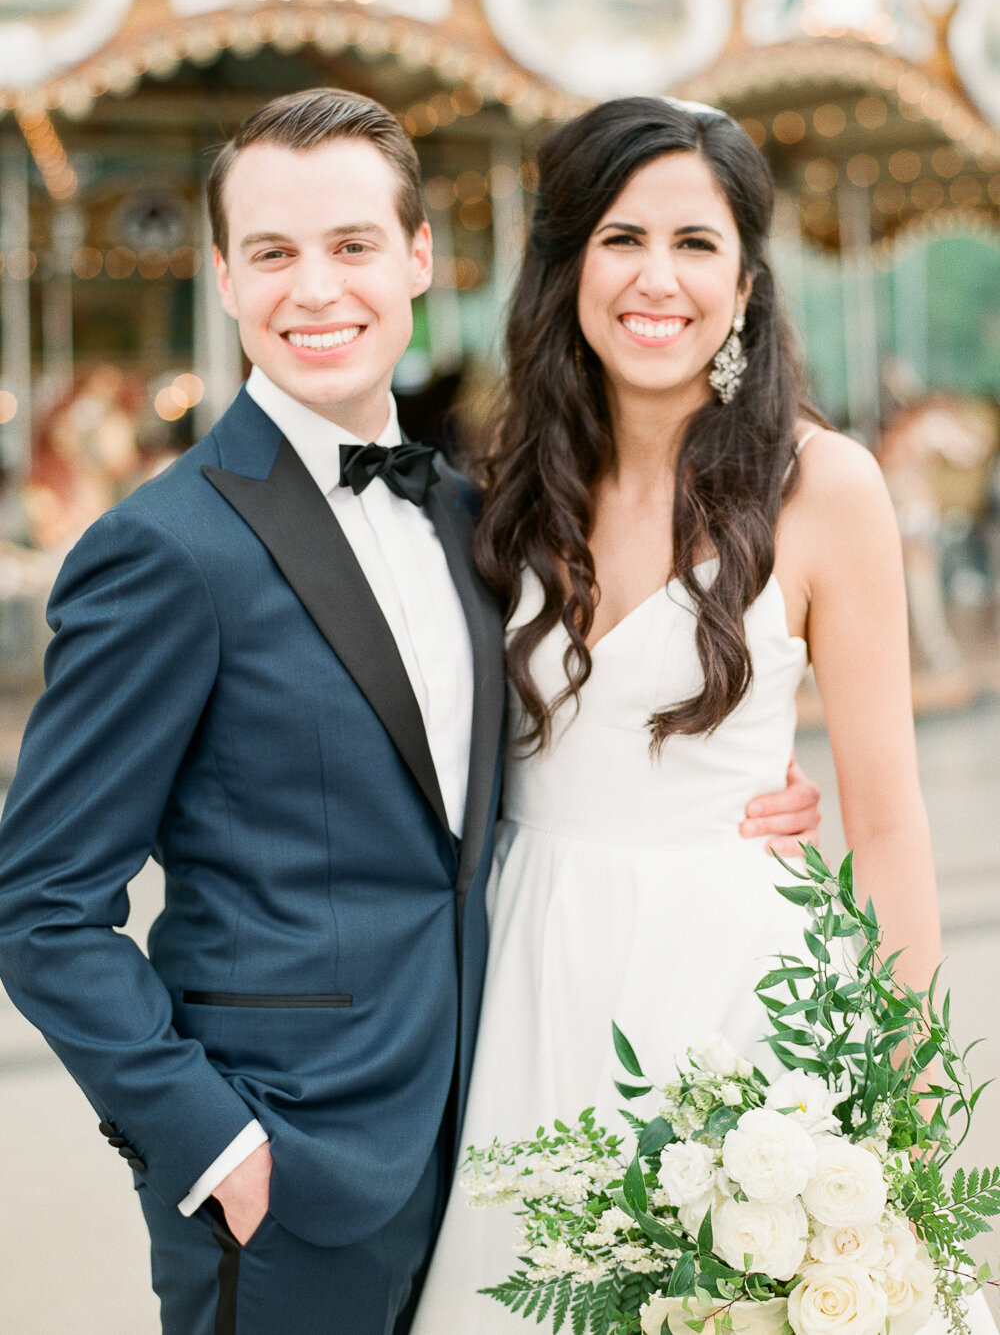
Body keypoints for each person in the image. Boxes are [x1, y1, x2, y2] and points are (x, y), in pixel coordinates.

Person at [0, 87, 818, 1335]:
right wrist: (210, 1142)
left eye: (352, 246)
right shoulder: (162, 551)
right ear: (223, 275)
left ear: (419, 257)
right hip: (283, 1181)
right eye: (273, 253)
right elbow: (42, 902)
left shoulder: (473, 515)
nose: (315, 290)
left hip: (496, 1139)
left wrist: (730, 803)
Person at [411, 96, 944, 1331]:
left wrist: (903, 1109)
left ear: (749, 279)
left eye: (695, 243)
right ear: (567, 269)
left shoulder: (823, 485)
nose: (659, 278)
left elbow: (891, 823)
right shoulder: (502, 487)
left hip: (727, 983)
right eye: (620, 238)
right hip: (526, 970)